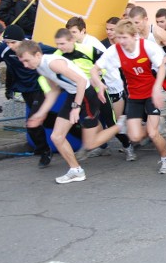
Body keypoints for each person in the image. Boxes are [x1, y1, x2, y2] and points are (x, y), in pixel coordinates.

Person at [16, 40, 121, 184]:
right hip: (74, 95)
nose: (25, 65)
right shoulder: (41, 67)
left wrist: (76, 107)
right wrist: (41, 113)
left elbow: (81, 82)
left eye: (27, 60)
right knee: (57, 137)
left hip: (86, 96)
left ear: (38, 54)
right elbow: (53, 91)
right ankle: (76, 170)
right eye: (22, 62)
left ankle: (122, 125)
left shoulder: (53, 63)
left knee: (90, 144)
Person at [91, 19, 166, 174]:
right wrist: (99, 85)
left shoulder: (147, 46)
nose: (120, 41)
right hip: (134, 96)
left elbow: (161, 68)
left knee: (153, 133)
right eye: (118, 38)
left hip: (151, 94)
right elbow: (94, 70)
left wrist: (157, 88)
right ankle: (153, 125)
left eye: (124, 38)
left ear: (134, 36)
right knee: (135, 137)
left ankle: (165, 159)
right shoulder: (115, 50)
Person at [53, 28, 135, 162]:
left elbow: (105, 62)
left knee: (110, 121)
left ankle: (127, 146)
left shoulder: (87, 49)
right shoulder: (57, 56)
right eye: (57, 44)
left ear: (72, 40)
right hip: (80, 94)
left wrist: (97, 76)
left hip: (97, 90)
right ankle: (102, 147)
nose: (59, 47)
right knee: (88, 123)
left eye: (62, 44)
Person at [0, 25, 55, 165]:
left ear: (22, 41)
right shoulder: (3, 49)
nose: (11, 46)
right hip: (24, 89)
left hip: (40, 87)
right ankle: (68, 123)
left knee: (33, 121)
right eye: (7, 43)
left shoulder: (34, 46)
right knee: (45, 120)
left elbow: (58, 51)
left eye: (13, 42)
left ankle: (45, 151)